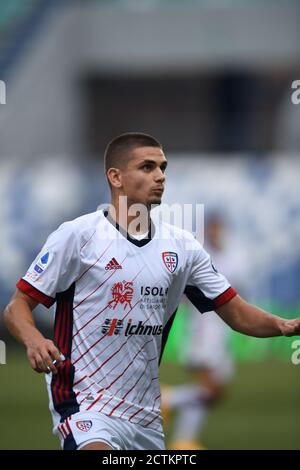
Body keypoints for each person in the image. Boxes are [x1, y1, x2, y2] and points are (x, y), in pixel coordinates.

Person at [4, 132, 300, 451]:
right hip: (85, 407)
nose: (160, 176)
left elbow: (239, 313)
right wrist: (34, 340)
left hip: (146, 417)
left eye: (163, 168)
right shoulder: (78, 237)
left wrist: (284, 326)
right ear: (115, 177)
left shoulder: (183, 247)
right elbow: (17, 306)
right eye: (147, 167)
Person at [161, 213, 245, 450]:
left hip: (221, 332)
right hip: (204, 330)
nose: (217, 232)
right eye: (214, 228)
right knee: (209, 388)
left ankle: (183, 438)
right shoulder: (200, 255)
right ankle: (173, 412)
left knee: (214, 393)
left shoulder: (230, 257)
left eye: (220, 228)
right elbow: (184, 291)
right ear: (209, 230)